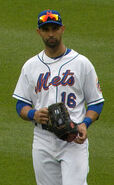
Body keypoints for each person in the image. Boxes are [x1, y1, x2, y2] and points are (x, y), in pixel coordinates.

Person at [13, 9, 104, 185]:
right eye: (46, 29)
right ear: (39, 32)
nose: (51, 34)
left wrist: (85, 124)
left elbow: (96, 103)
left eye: (54, 28)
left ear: (62, 29)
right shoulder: (30, 66)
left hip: (73, 138)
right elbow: (21, 104)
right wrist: (33, 114)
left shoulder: (81, 63)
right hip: (43, 140)